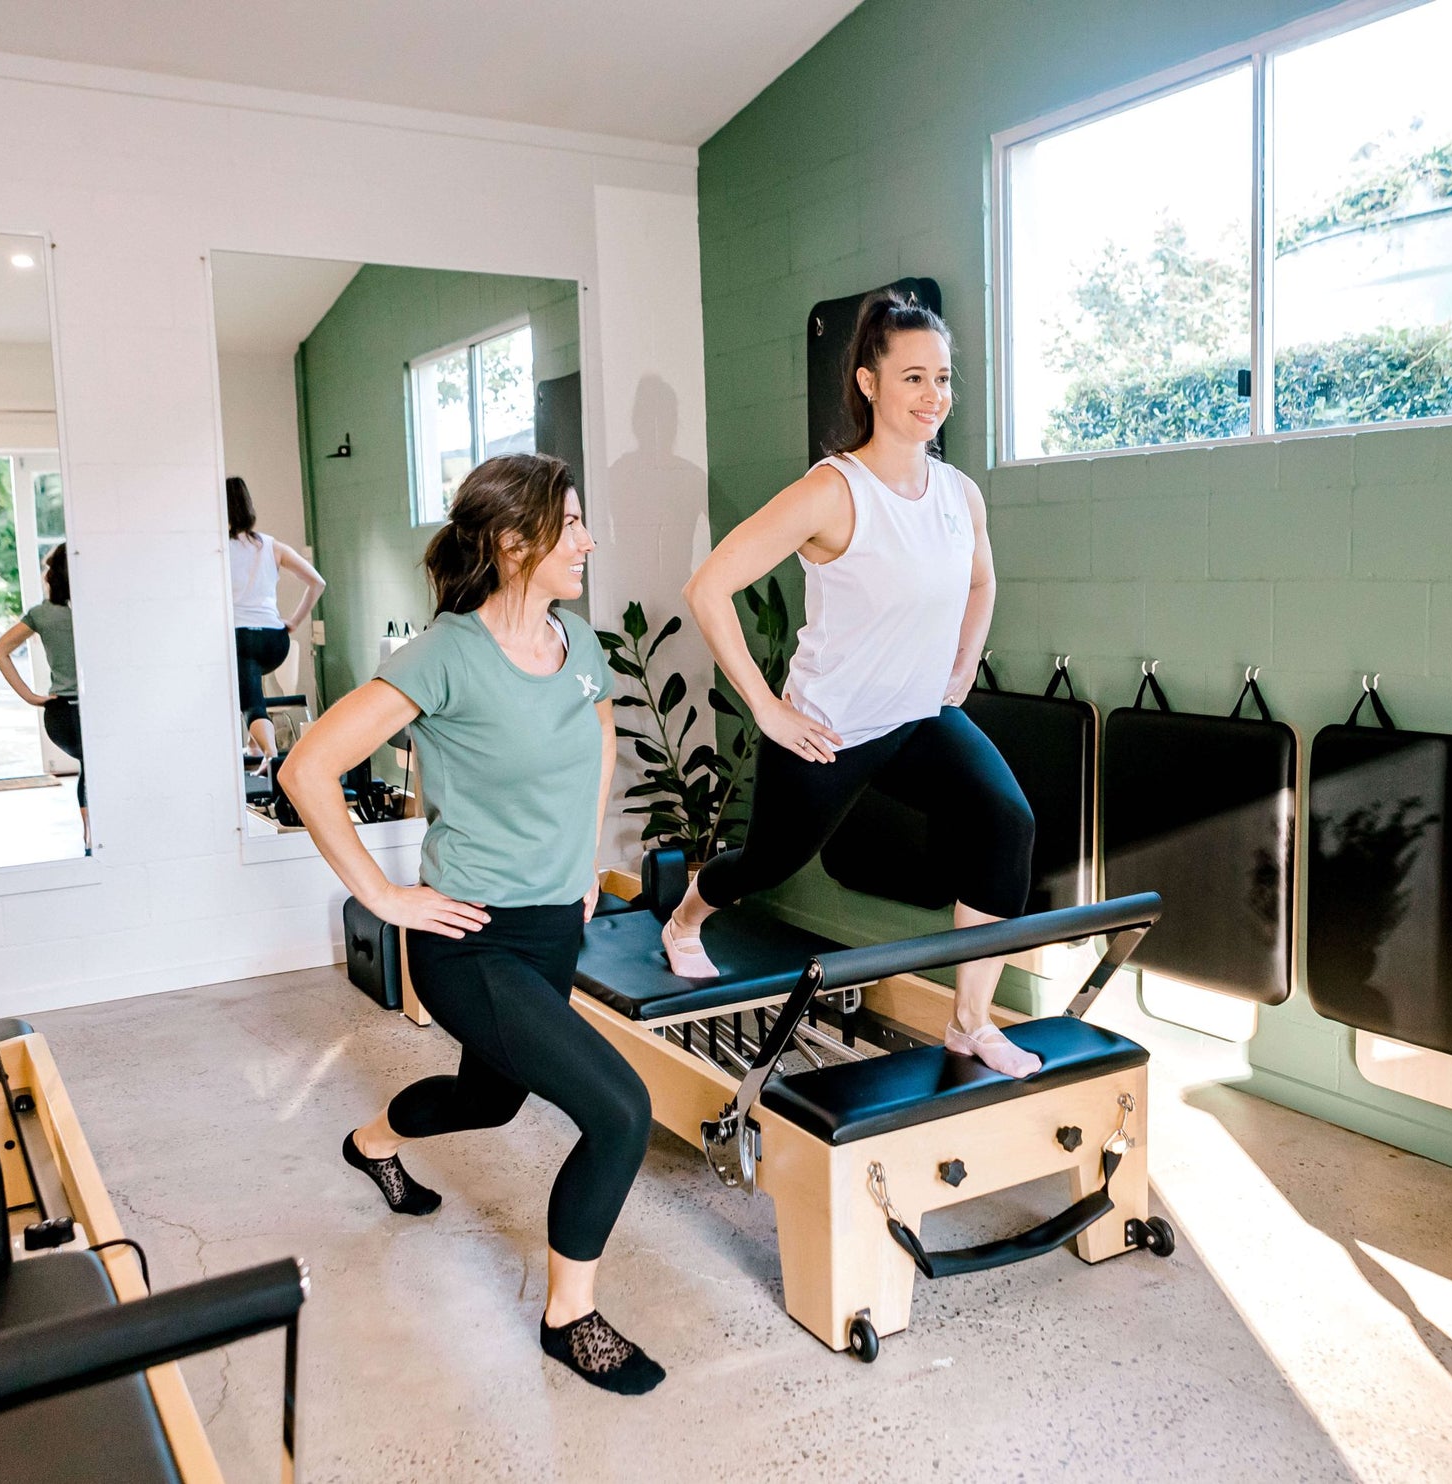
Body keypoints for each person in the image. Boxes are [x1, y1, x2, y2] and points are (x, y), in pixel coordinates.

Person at [278, 452, 661, 1395]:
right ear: (514, 542)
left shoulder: (576, 642)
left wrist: (582, 865)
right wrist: (386, 896)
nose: (588, 539)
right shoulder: (445, 653)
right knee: (620, 1113)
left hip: (550, 928)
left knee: (490, 1100)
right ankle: (569, 1319)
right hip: (468, 940)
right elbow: (307, 768)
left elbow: (600, 736)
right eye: (570, 525)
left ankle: (371, 1144)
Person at [668, 292, 1040, 1079]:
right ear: (869, 384)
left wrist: (967, 658)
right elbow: (709, 587)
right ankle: (687, 917)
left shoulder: (958, 494)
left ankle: (970, 1023)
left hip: (916, 720)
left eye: (943, 377)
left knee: (1006, 821)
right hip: (830, 729)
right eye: (913, 377)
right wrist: (766, 709)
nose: (934, 394)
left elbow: (982, 582)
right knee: (766, 866)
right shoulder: (832, 492)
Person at [0, 544, 87, 844]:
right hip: (83, 710)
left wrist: (31, 697)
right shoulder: (97, 610)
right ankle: (93, 836)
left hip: (58, 715)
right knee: (96, 767)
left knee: (90, 766)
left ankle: (90, 836)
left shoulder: (42, 614)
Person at [226, 476, 326, 768]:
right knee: (253, 684)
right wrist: (294, 621)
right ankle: (254, 747)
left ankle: (271, 756)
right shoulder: (271, 545)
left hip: (240, 638)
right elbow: (317, 582)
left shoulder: (217, 548)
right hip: (274, 640)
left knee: (253, 706)